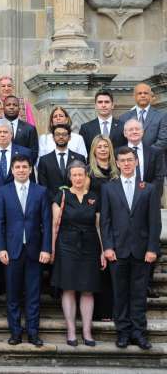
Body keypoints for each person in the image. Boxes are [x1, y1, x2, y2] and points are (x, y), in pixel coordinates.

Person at [101, 146, 162, 350]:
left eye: (130, 160)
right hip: (117, 251)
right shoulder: (109, 188)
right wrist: (107, 247)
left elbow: (155, 223)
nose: (126, 163)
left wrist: (152, 248)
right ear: (117, 163)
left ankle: (139, 333)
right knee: (119, 294)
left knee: (138, 294)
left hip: (142, 251)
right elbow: (105, 222)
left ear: (136, 162)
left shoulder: (149, 188)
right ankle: (123, 333)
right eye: (122, 160)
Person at [0, 155, 52, 347]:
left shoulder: (41, 191)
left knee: (34, 294)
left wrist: (46, 248)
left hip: (35, 251)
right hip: (12, 251)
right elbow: (0, 223)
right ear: (12, 170)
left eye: (24, 167)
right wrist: (1, 247)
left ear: (30, 169)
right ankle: (15, 333)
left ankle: (33, 333)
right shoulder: (3, 192)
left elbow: (47, 222)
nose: (21, 170)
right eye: (17, 167)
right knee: (13, 294)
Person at [50, 160, 105, 347]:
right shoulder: (62, 195)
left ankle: (87, 332)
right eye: (74, 175)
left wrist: (103, 252)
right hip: (66, 246)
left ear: (86, 176)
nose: (78, 178)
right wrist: (51, 250)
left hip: (90, 246)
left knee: (88, 290)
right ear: (70, 177)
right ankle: (71, 331)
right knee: (69, 288)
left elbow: (99, 227)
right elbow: (54, 226)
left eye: (81, 174)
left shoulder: (94, 197)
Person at [122, 117, 164, 298]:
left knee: (150, 241)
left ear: (143, 132)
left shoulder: (154, 152)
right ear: (125, 133)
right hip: (125, 205)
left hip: (148, 204)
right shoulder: (119, 153)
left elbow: (159, 177)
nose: (133, 132)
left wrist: (151, 196)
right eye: (130, 130)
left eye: (137, 129)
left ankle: (147, 284)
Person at [88, 136, 119, 321]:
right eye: (99, 147)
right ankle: (102, 311)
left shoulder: (117, 172)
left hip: (117, 222)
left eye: (106, 146)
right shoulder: (89, 173)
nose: (102, 149)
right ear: (93, 150)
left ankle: (116, 309)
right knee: (102, 269)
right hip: (97, 222)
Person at [37, 123, 86, 198]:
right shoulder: (44, 160)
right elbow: (43, 185)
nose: (61, 137)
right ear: (53, 137)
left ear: (69, 137)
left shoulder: (79, 158)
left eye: (64, 134)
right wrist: (56, 201)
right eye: (57, 134)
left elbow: (83, 182)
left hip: (75, 203)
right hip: (51, 202)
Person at [0, 95, 38, 163]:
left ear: (19, 108)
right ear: (3, 108)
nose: (11, 107)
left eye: (15, 105)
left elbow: (33, 153)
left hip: (22, 171)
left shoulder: (30, 129)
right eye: (8, 105)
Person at [0, 119, 34, 189]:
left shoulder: (25, 152)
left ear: (11, 134)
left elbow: (31, 180)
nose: (2, 135)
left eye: (5, 132)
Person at [119, 82, 167, 151]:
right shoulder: (124, 117)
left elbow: (163, 140)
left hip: (153, 158)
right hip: (130, 158)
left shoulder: (161, 116)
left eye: (145, 93)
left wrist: (146, 153)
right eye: (140, 93)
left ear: (150, 96)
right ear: (134, 96)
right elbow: (122, 141)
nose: (143, 95)